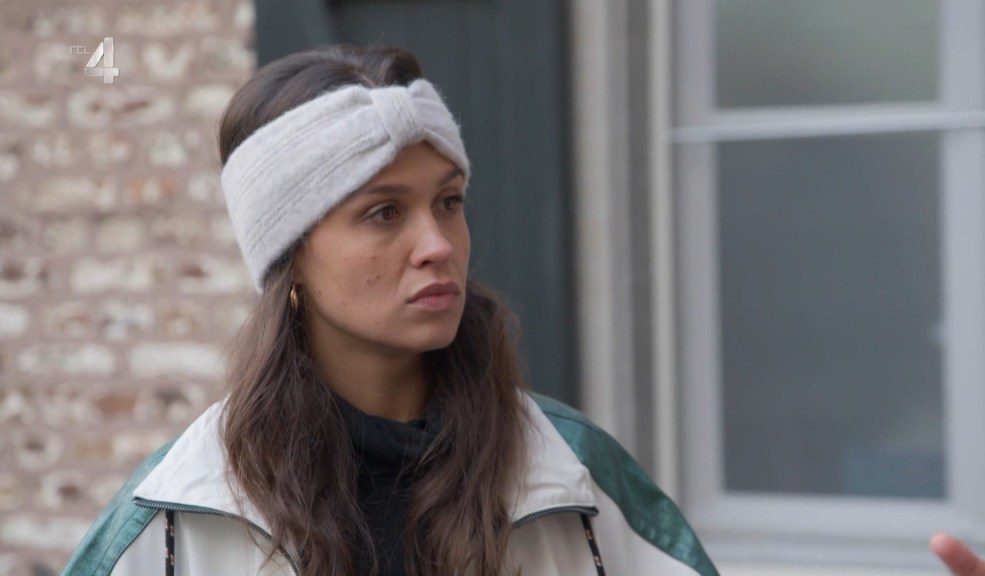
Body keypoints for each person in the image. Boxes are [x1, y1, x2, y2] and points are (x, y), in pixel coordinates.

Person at [61, 44, 719, 576]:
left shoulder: (575, 473)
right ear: (291, 257)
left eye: (449, 203)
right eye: (384, 212)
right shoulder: (177, 512)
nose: (438, 246)